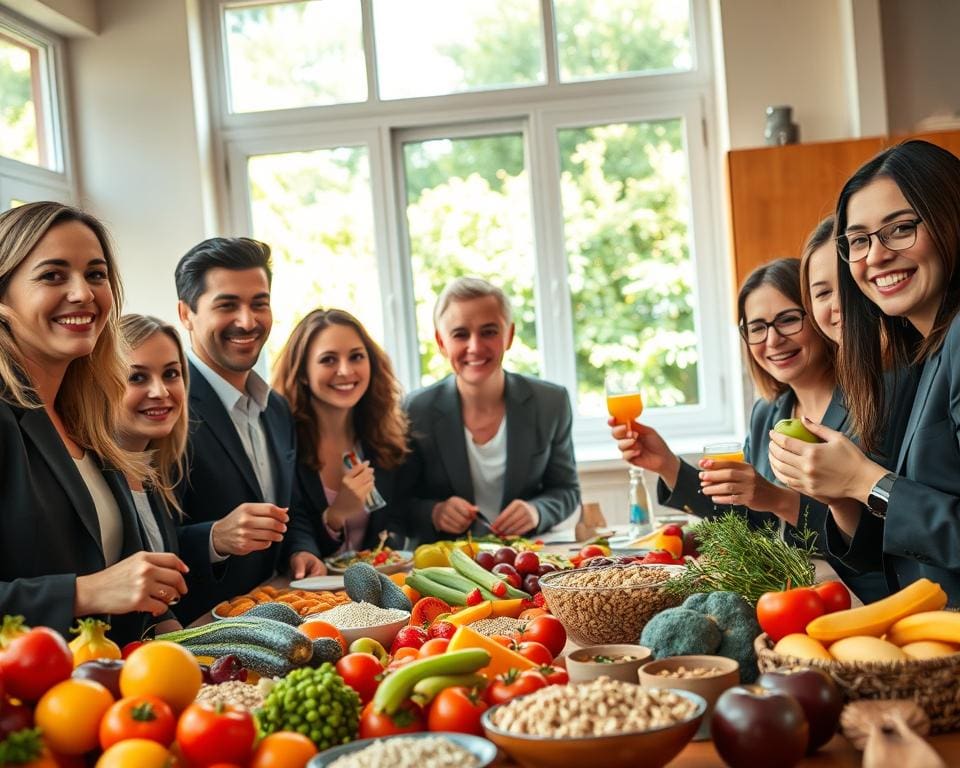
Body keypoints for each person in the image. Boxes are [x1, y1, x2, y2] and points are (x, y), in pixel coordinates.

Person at [611, 256, 892, 599]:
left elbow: (871, 538)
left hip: (861, 596)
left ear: (819, 318)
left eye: (787, 320)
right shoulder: (768, 413)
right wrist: (667, 465)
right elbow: (749, 517)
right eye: (757, 327)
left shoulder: (871, 402)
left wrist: (775, 498)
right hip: (791, 593)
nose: (772, 340)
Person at [769, 140, 960, 604]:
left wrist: (864, 481)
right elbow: (896, 552)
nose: (875, 256)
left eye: (900, 228)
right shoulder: (926, 350)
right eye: (858, 241)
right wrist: (840, 493)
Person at [0, 202, 188, 643]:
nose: (83, 293)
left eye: (96, 274)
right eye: (53, 275)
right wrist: (83, 593)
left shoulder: (88, 415)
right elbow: (97, 588)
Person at [173, 237, 323, 623]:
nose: (247, 320)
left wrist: (300, 548)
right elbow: (141, 535)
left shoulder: (276, 407)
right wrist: (213, 538)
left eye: (259, 303)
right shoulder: (167, 407)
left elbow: (293, 507)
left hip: (277, 614)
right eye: (227, 305)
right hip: (200, 631)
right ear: (186, 314)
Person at [403, 277, 580, 546]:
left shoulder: (550, 402)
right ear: (441, 342)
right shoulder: (415, 410)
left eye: (489, 332)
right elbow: (397, 503)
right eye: (460, 334)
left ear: (508, 335)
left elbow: (566, 490)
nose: (475, 346)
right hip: (446, 565)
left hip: (528, 557)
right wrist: (435, 512)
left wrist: (537, 511)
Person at [272, 309, 410, 556]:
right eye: (328, 360)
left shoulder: (384, 437)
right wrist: (336, 516)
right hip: (309, 591)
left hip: (374, 587)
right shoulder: (283, 444)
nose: (345, 371)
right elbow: (289, 539)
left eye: (356, 357)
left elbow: (396, 520)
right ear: (303, 372)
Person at [117, 314, 189, 558]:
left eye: (170, 374)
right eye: (137, 377)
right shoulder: (87, 478)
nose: (160, 391)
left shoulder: (156, 471)